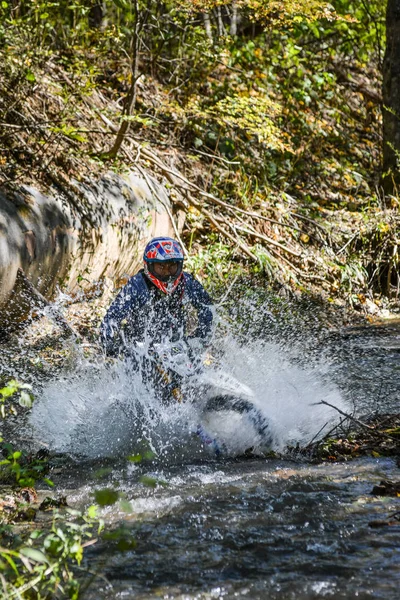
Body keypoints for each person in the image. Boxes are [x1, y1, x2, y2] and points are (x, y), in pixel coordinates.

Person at [100, 236, 214, 359]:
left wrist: (199, 338)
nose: (167, 273)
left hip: (175, 346)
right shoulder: (137, 285)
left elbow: (208, 309)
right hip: (140, 348)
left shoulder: (187, 282)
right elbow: (112, 317)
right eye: (161, 267)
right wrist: (110, 344)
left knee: (194, 372)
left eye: (172, 267)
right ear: (149, 265)